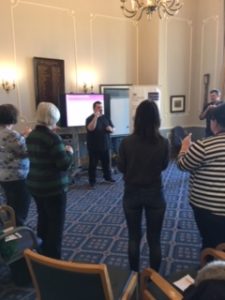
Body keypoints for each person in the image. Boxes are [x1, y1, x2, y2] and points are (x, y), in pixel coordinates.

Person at [117, 100, 169, 272]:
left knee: (133, 237)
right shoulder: (163, 142)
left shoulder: (126, 142)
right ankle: (154, 278)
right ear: (157, 119)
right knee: (154, 239)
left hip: (131, 193)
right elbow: (164, 166)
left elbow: (120, 168)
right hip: (155, 193)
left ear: (137, 118)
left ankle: (134, 275)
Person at [26, 102, 73, 259]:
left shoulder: (31, 135)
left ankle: (42, 254)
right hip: (53, 187)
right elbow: (63, 164)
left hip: (35, 185)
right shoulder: (53, 138)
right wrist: (70, 152)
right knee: (56, 225)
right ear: (53, 119)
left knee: (43, 219)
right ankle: (54, 260)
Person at [177, 103, 225, 250]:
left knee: (210, 243)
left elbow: (182, 165)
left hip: (208, 207)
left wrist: (185, 147)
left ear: (215, 122)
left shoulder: (204, 145)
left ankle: (210, 269)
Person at [0, 104, 31, 226]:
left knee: (10, 205)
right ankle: (17, 236)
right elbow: (25, 153)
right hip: (17, 177)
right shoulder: (12, 135)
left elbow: (8, 148)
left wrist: (22, 136)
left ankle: (9, 229)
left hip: (3, 176)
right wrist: (28, 137)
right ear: (12, 117)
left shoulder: (5, 134)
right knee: (20, 209)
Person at [86, 101, 115, 188]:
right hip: (94, 146)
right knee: (93, 165)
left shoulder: (106, 117)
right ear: (94, 108)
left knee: (106, 163)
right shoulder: (89, 118)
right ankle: (92, 181)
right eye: (98, 107)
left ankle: (107, 177)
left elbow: (113, 128)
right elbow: (91, 128)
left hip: (105, 145)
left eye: (101, 107)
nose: (100, 108)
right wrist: (95, 117)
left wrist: (111, 129)